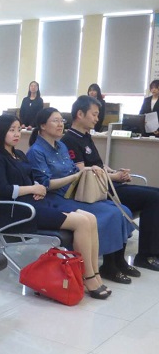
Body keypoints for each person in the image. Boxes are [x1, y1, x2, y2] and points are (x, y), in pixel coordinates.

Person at [0, 115, 110, 299]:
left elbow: (30, 180)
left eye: (18, 129)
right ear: (0, 131)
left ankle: (94, 274)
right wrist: (32, 189)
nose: (17, 134)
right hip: (18, 212)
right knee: (82, 222)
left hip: (33, 204)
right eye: (11, 130)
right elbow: (3, 190)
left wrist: (39, 188)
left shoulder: (19, 154)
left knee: (90, 218)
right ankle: (88, 277)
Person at [27, 107, 136, 284]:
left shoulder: (61, 146)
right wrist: (76, 176)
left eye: (62, 120)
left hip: (73, 193)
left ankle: (117, 261)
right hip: (56, 199)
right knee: (111, 213)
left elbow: (73, 169)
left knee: (121, 210)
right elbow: (45, 184)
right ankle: (105, 267)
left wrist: (91, 169)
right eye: (55, 121)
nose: (60, 124)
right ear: (43, 125)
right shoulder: (36, 151)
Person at [63, 95, 159, 272]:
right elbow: (82, 172)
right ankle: (145, 255)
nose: (97, 118)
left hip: (106, 184)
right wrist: (114, 177)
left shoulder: (86, 136)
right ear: (80, 114)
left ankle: (149, 252)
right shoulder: (69, 139)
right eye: (94, 114)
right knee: (153, 199)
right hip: (95, 190)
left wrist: (115, 172)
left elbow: (99, 165)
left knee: (156, 193)